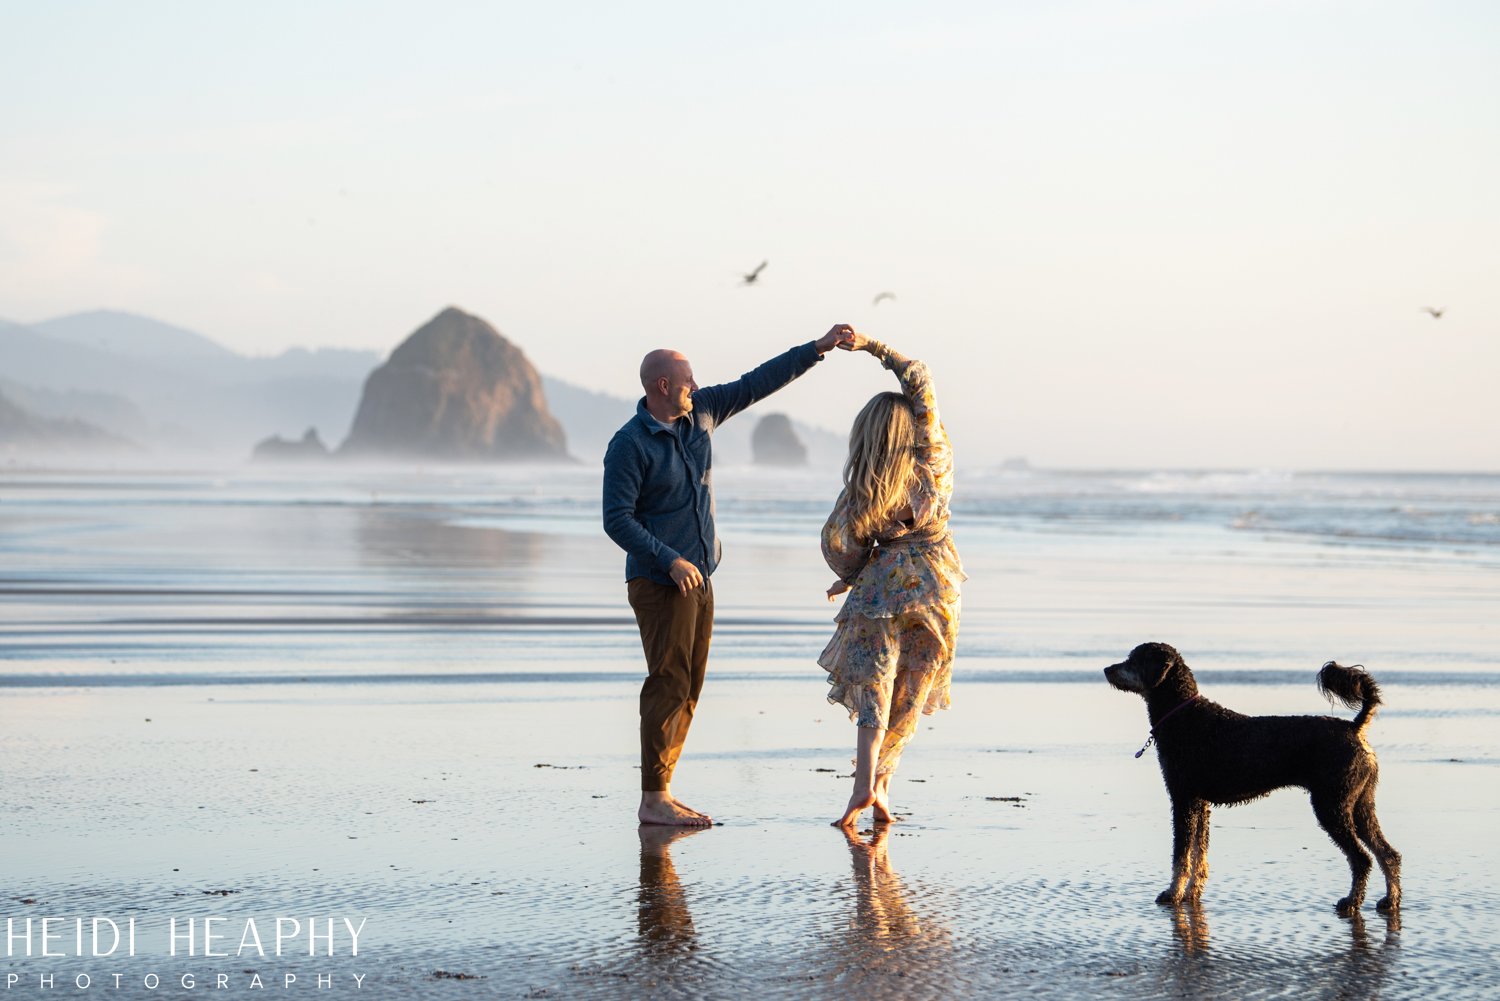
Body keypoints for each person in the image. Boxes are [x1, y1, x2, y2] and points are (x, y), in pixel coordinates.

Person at [604, 324, 856, 826]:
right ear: (660, 387)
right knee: (668, 683)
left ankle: (663, 792)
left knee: (690, 685)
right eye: (686, 381)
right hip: (660, 582)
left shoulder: (701, 414)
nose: (694, 387)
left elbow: (757, 382)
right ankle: (653, 799)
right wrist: (668, 559)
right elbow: (617, 518)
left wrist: (817, 348)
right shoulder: (630, 444)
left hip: (701, 577)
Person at [820, 332, 964, 828]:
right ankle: (881, 783)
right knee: (913, 688)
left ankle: (863, 786)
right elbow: (918, 379)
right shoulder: (933, 460)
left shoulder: (865, 487)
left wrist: (854, 576)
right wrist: (872, 346)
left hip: (880, 588)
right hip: (936, 585)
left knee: (875, 684)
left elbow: (837, 541)